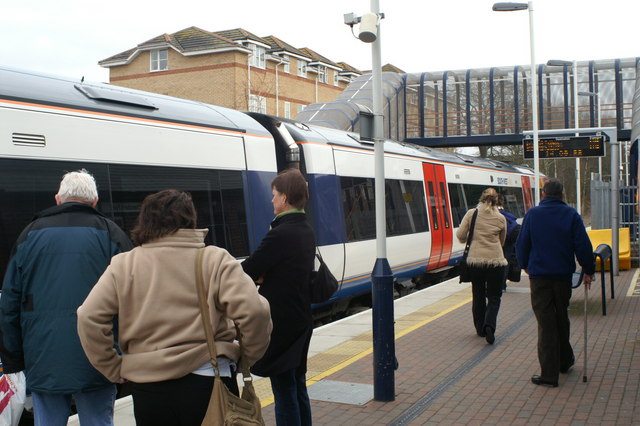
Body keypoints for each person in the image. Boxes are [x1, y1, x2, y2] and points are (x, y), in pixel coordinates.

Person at [76, 189, 272, 425]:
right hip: (210, 379)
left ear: (146, 221)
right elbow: (255, 312)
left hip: (147, 385)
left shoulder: (124, 264)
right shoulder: (215, 259)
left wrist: (112, 366)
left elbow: (88, 316)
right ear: (190, 220)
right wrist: (246, 357)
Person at [0, 169, 133, 425]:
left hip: (42, 355)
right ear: (94, 201)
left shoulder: (29, 235)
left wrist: (13, 359)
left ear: (58, 199)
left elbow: (10, 301)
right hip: (100, 355)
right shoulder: (112, 233)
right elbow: (133, 297)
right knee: (98, 420)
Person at [241, 168, 316, 426]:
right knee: (298, 386)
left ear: (285, 198)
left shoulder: (281, 233)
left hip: (283, 323)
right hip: (302, 318)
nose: (271, 200)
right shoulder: (305, 228)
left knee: (284, 392)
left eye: (274, 195)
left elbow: (248, 269)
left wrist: (263, 275)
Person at [516, 178, 595, 388]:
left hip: (539, 277)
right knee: (561, 317)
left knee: (546, 323)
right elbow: (583, 245)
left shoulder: (533, 214)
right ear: (562, 195)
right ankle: (565, 360)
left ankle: (549, 375)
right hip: (562, 276)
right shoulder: (570, 215)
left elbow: (522, 244)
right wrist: (588, 269)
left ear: (543, 194)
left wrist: (524, 264)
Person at [456, 188, 507, 345]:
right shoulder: (500, 218)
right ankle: (490, 325)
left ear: (481, 199)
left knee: (477, 294)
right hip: (496, 261)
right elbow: (502, 241)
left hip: (475, 261)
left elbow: (460, 235)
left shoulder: (472, 214)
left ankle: (479, 329)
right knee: (494, 296)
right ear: (496, 200)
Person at [498, 195, 521, 291]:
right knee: (506, 262)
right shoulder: (508, 214)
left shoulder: (496, 215)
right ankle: (503, 285)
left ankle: (500, 285)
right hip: (510, 241)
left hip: (502, 242)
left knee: (500, 264)